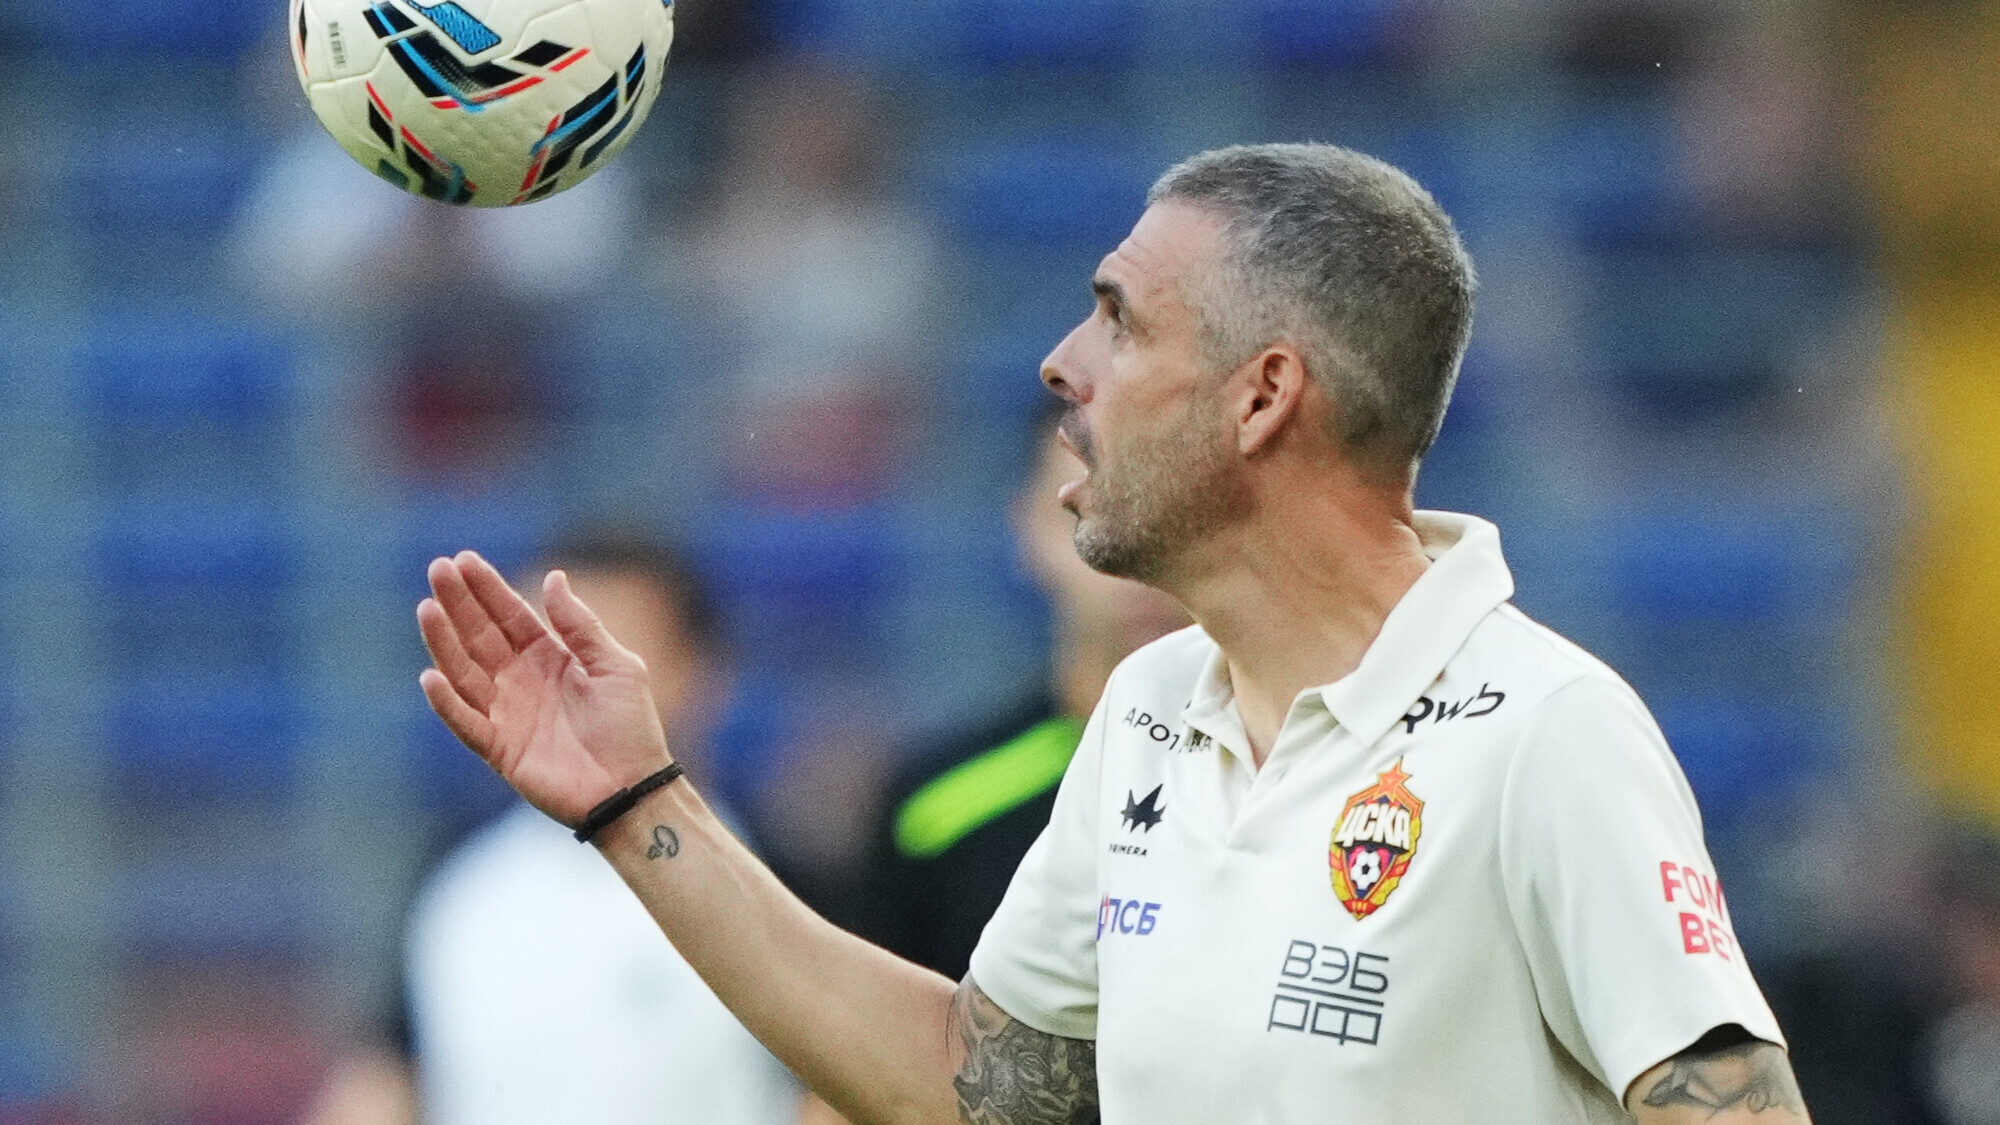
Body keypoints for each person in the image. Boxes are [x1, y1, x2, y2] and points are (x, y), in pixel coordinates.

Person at [413, 142, 1814, 1124]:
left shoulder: (1544, 732)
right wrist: (639, 803)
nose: (1061, 366)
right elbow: (973, 1084)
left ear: (1261, 396)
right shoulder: (1149, 713)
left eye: (1118, 323)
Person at [306, 530, 800, 1125]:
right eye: (540, 650)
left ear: (701, 674)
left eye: (600, 653)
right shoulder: (458, 881)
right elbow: (384, 1083)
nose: (569, 687)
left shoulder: (782, 883)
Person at [843, 406, 1186, 982]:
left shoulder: (1303, 779)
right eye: (1089, 515)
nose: (1132, 556)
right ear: (1028, 531)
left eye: (1170, 514)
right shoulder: (936, 813)